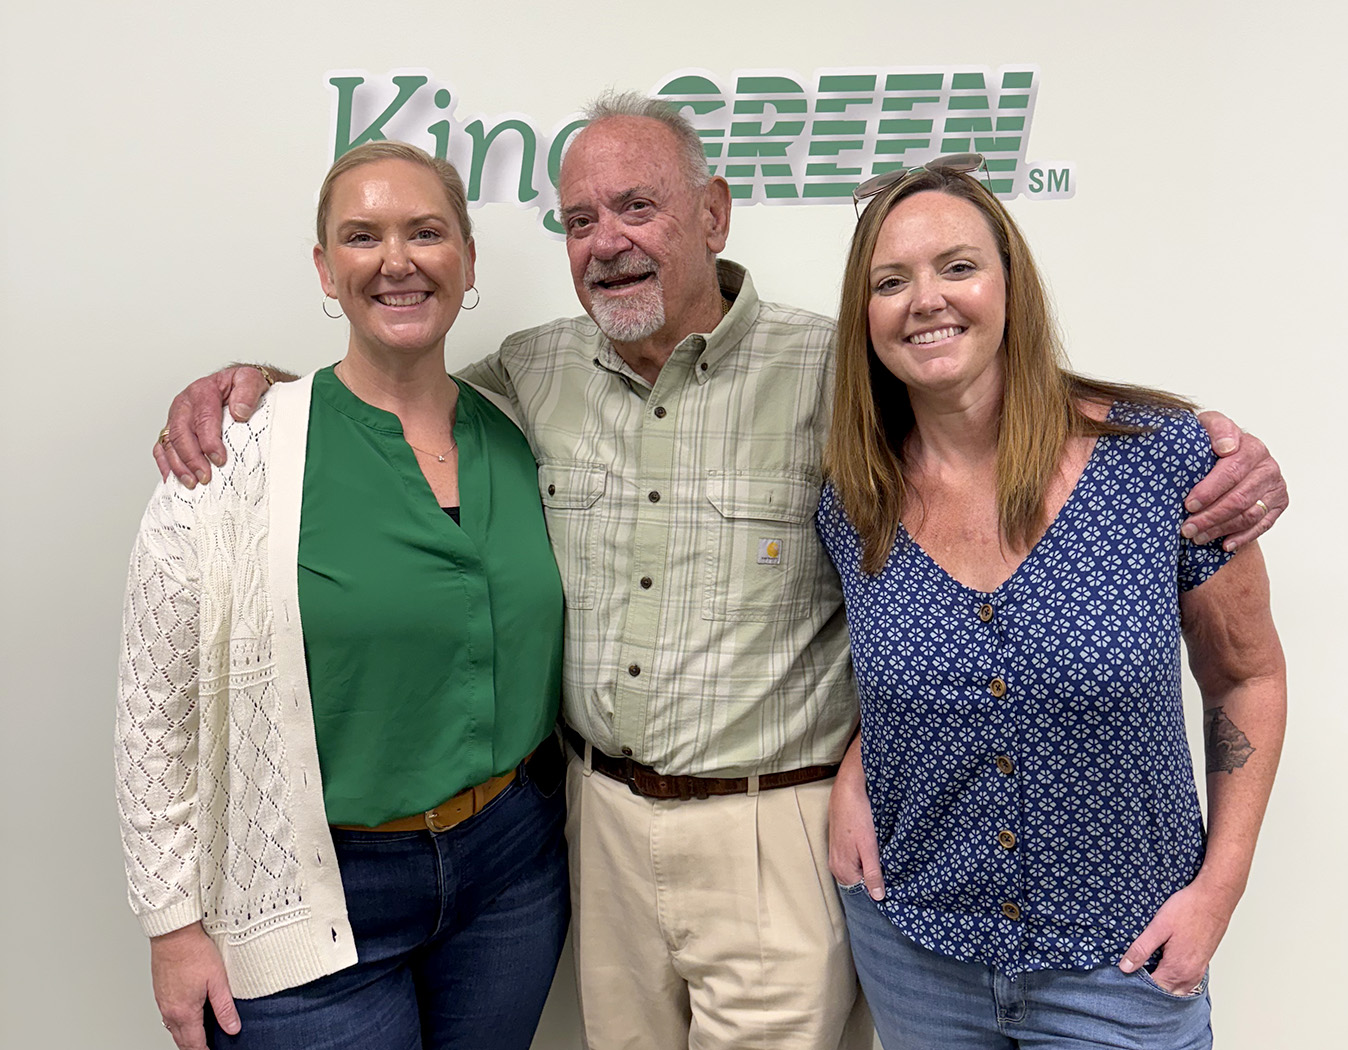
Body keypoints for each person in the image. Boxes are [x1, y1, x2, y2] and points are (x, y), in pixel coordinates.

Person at [150, 94, 1287, 1050]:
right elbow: (391, 394)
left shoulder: (839, 372)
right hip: (587, 828)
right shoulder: (529, 376)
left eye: (638, 205)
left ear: (711, 212)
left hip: (772, 833)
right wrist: (257, 389)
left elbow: (988, 401)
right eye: (579, 217)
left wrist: (1216, 449)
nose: (607, 239)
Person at [818, 157, 1286, 1049]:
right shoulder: (855, 499)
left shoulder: (1161, 463)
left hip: (1123, 963)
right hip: (918, 951)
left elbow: (1248, 677)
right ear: (864, 317)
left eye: (957, 266)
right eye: (890, 280)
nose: (926, 300)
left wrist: (1216, 896)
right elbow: (909, 675)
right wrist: (858, 759)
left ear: (1009, 284)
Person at [117, 141, 569, 1050]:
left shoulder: (522, 431)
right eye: (362, 237)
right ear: (327, 270)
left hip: (510, 872)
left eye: (427, 232)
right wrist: (171, 925)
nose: (396, 260)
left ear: (468, 259)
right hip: (312, 897)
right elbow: (151, 714)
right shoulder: (234, 458)